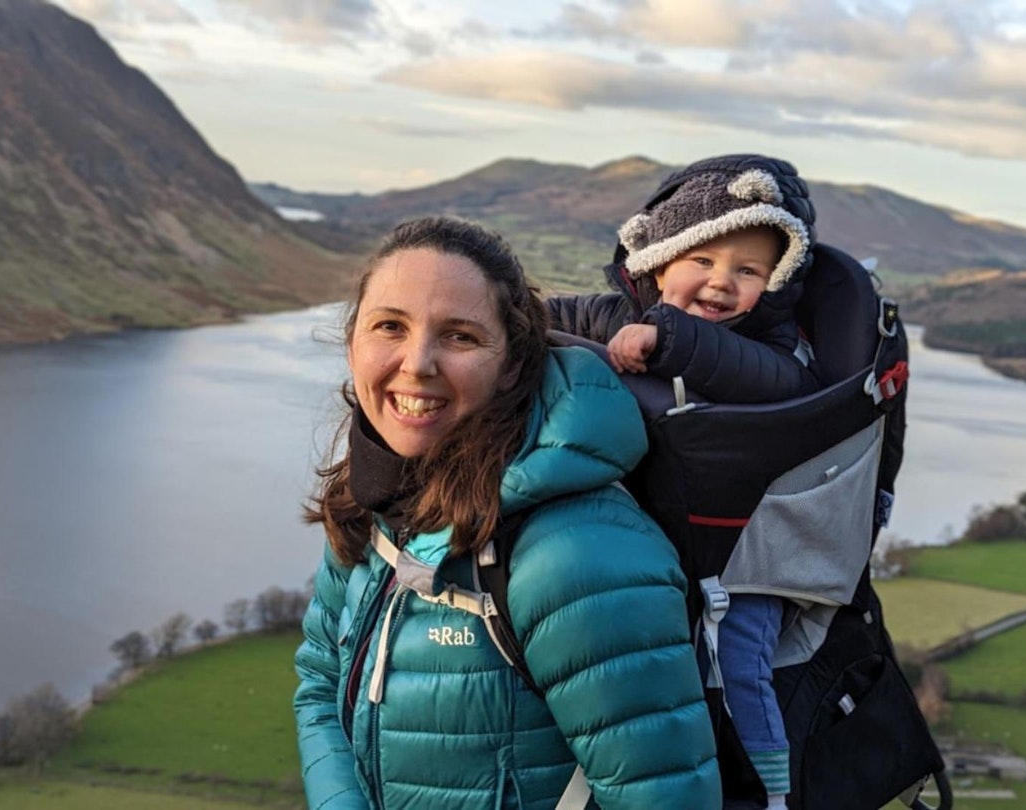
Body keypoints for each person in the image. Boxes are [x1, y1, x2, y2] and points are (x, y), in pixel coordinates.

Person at [294, 215, 721, 809]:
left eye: (460, 337)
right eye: (389, 326)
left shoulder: (578, 555)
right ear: (353, 343)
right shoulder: (376, 499)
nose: (417, 363)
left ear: (514, 364)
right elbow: (319, 682)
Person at [545, 155, 823, 810]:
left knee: (738, 662)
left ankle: (768, 793)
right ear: (660, 261)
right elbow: (544, 314)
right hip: (658, 539)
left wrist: (670, 336)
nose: (721, 282)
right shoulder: (617, 314)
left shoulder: (776, 347)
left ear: (775, 284)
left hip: (749, 556)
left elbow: (772, 381)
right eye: (702, 260)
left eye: (747, 270)